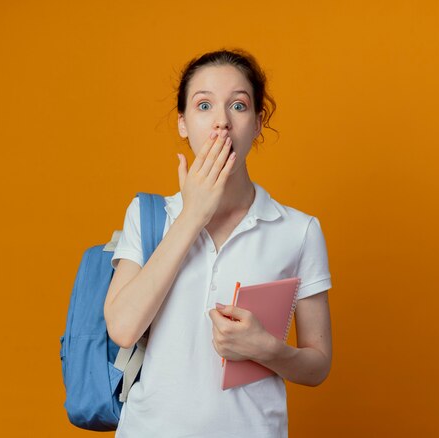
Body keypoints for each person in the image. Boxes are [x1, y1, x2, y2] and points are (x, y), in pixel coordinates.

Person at [104, 48, 332, 437]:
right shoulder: (148, 216)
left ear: (258, 122)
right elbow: (123, 328)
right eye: (204, 105)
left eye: (239, 106)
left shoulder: (298, 230)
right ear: (183, 123)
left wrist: (267, 349)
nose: (221, 122)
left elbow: (318, 365)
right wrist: (193, 215)